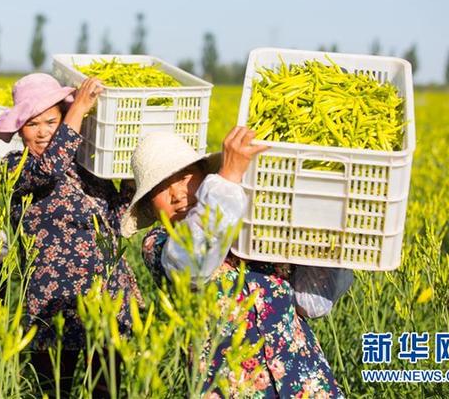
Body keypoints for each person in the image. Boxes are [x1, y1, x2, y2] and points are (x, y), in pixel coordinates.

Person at [121, 128, 351, 398]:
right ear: (149, 206)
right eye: (160, 188)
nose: (177, 193)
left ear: (204, 177)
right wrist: (228, 179)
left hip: (303, 380)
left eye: (185, 177)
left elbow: (311, 302)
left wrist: (324, 236)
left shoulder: (253, 226)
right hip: (232, 388)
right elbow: (194, 265)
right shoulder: (159, 244)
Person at [0, 72, 141, 397]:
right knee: (55, 388)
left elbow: (114, 220)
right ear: (20, 130)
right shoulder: (15, 167)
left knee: (108, 389)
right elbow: (49, 168)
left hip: (105, 294)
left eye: (51, 121)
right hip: (54, 300)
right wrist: (78, 110)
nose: (43, 132)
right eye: (33, 124)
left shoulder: (89, 166)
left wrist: (132, 180)